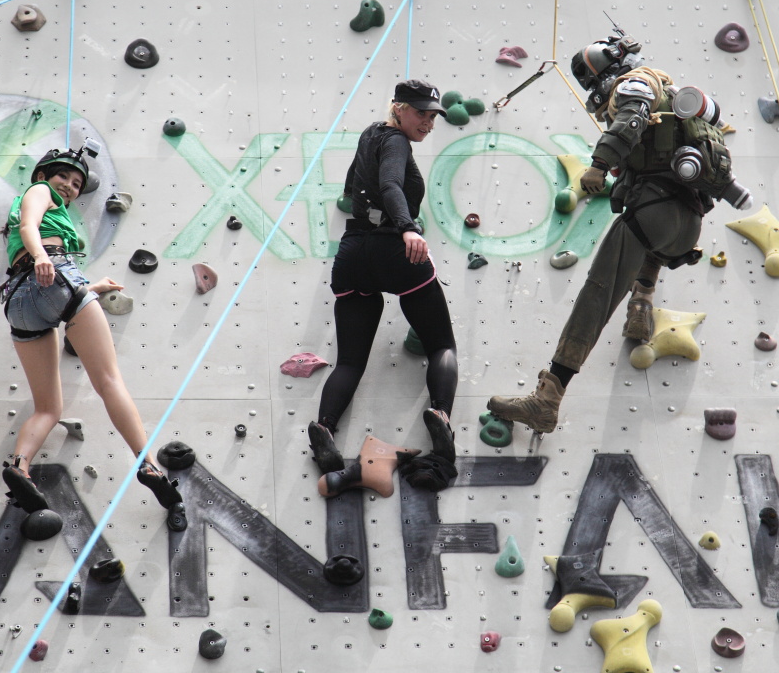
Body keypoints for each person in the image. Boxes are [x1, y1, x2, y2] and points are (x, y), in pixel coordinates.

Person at [488, 30, 752, 434]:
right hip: (687, 224)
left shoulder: (635, 85)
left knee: (597, 294)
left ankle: (547, 399)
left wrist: (599, 164)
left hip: (653, 211)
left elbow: (631, 119)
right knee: (646, 251)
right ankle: (641, 305)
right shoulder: (672, 94)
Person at [0, 145, 184, 528]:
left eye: (77, 183)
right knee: (109, 381)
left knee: (48, 409)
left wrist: (89, 287)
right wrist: (44, 258)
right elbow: (30, 228)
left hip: (20, 302)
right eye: (62, 176)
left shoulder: (42, 209)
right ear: (43, 176)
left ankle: (20, 467)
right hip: (52, 274)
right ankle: (148, 465)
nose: (69, 185)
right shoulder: (38, 192)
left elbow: (35, 264)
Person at [308, 80, 460, 492]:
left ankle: (325, 428)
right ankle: (441, 416)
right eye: (420, 113)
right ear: (398, 108)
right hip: (394, 248)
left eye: (433, 116)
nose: (428, 122)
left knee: (349, 361)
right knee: (441, 345)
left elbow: (353, 185)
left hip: (353, 252)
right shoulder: (396, 142)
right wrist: (408, 228)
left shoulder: (369, 135)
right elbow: (391, 184)